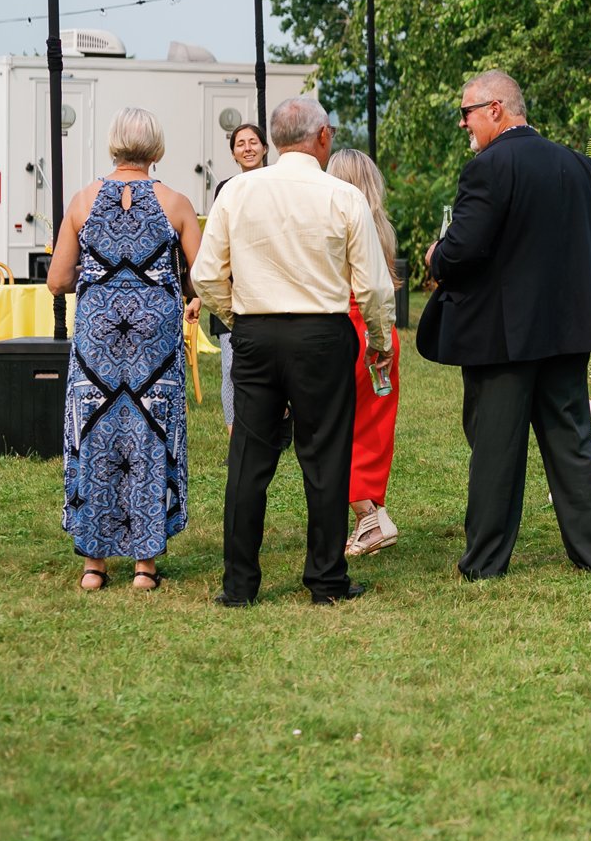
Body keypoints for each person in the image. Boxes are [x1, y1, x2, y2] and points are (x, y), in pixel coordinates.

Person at [424, 70, 591, 579]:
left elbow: (465, 248)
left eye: (466, 112)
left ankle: (486, 562)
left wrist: (436, 255)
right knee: (572, 443)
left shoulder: (488, 168)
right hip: (568, 329)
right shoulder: (581, 167)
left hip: (502, 337)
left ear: (496, 109)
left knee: (496, 448)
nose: (462, 124)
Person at [192, 97, 393, 606]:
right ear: (322, 137)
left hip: (256, 332)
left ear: (276, 140)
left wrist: (237, 319)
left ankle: (239, 586)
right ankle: (325, 579)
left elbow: (205, 275)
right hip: (322, 335)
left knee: (248, 462)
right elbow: (371, 287)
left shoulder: (236, 192)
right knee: (325, 458)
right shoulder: (342, 196)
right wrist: (378, 339)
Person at [47, 108, 203, 591]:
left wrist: (98, 277)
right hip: (154, 340)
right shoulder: (176, 204)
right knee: (151, 433)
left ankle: (94, 566)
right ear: (156, 151)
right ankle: (144, 567)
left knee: (93, 431)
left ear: (114, 146)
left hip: (97, 338)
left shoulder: (82, 202)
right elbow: (205, 275)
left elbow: (57, 281)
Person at [327, 149, 402, 557]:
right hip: (383, 329)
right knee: (372, 426)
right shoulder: (381, 227)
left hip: (350, 326)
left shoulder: (336, 223)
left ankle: (370, 518)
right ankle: (371, 517)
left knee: (336, 426)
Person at [208, 122, 267, 434]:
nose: (247, 148)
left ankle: (274, 425)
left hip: (271, 289)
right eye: (240, 143)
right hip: (233, 289)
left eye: (253, 141)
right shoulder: (225, 189)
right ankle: (236, 436)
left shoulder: (276, 185)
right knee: (231, 366)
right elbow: (216, 244)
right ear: (233, 153)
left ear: (265, 148)